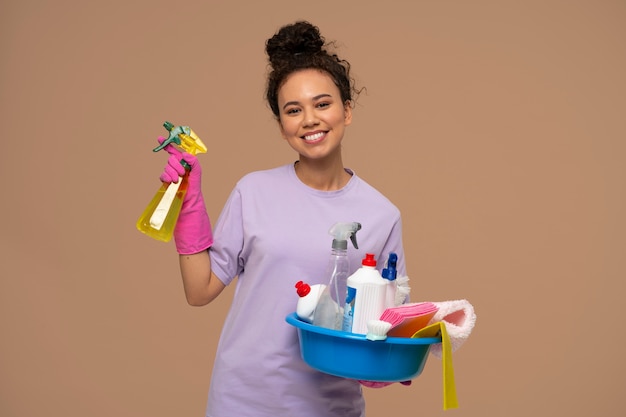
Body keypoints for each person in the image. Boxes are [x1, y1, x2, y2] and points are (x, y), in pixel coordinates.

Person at [158, 21, 407, 417]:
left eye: (322, 104)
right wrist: (188, 206)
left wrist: (386, 358)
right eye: (294, 110)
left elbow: (381, 322)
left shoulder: (382, 215)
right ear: (282, 126)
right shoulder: (252, 192)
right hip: (242, 400)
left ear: (347, 111)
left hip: (329, 406)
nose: (309, 119)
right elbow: (199, 291)